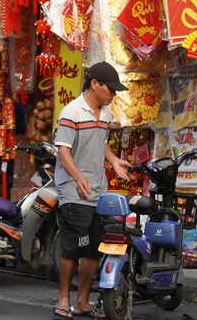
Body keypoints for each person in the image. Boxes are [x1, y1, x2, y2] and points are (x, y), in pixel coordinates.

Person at [53, 62, 132, 319]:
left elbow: (101, 144)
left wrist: (114, 161)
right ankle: (63, 298)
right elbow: (62, 150)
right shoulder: (71, 112)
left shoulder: (106, 112)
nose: (114, 94)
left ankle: (83, 302)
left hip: (98, 190)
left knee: (94, 249)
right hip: (73, 191)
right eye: (111, 88)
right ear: (95, 84)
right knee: (74, 248)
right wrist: (77, 177)